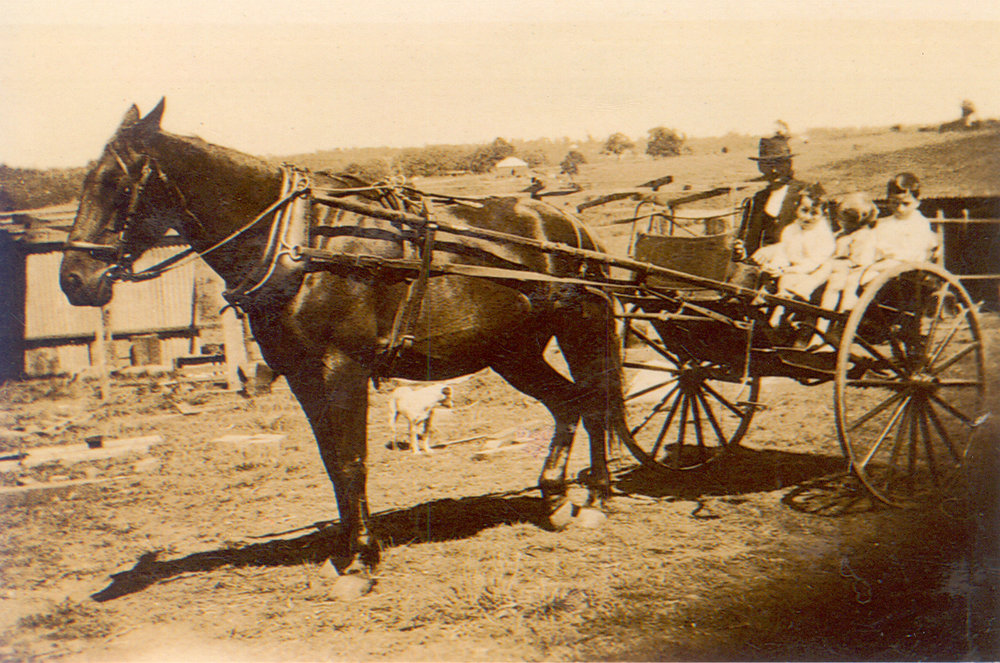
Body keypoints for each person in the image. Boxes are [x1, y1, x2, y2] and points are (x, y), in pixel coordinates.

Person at [751, 183, 835, 326]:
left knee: (788, 280)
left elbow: (813, 262)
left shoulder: (823, 235)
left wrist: (786, 270)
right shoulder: (791, 229)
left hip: (812, 273)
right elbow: (783, 252)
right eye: (804, 210)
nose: (808, 217)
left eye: (814, 213)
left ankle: (778, 314)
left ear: (823, 213)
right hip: (791, 269)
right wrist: (775, 267)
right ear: (797, 209)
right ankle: (757, 312)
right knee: (766, 276)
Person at [735, 133, 809, 260]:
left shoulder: (807, 194)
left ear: (789, 163)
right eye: (767, 165)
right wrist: (741, 250)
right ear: (760, 167)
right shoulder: (756, 201)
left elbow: (822, 241)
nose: (774, 170)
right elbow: (747, 242)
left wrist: (777, 249)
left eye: (779, 163)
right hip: (760, 269)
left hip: (798, 268)